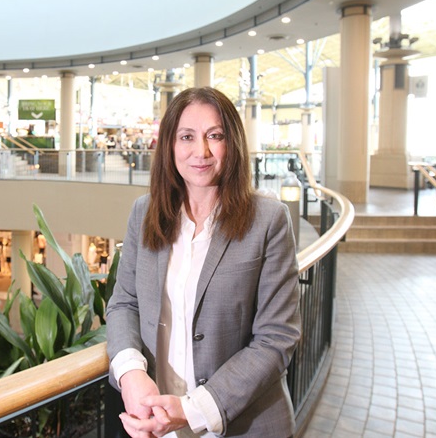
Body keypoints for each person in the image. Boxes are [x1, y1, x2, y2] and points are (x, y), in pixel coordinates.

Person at [106, 87, 301, 437]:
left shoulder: (269, 221)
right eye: (187, 137)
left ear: (233, 144)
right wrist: (130, 373)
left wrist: (193, 410)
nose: (202, 151)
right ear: (170, 145)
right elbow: (124, 303)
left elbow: (276, 337)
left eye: (215, 136)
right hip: (158, 423)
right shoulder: (145, 213)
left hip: (242, 424)